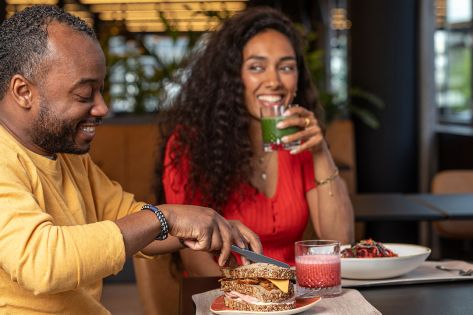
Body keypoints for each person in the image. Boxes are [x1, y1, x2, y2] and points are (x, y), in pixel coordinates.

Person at [0, 5, 262, 314]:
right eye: (85, 95)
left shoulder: (63, 153)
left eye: (101, 91)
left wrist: (205, 226)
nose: (101, 108)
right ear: (23, 91)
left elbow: (131, 219)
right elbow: (42, 260)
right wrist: (167, 217)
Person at [156, 6, 355, 276]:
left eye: (286, 67)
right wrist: (251, 297)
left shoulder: (299, 143)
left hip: (293, 295)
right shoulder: (191, 144)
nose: (273, 81)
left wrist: (321, 152)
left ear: (297, 79)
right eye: (257, 67)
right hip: (224, 295)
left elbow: (340, 241)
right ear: (233, 77)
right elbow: (194, 260)